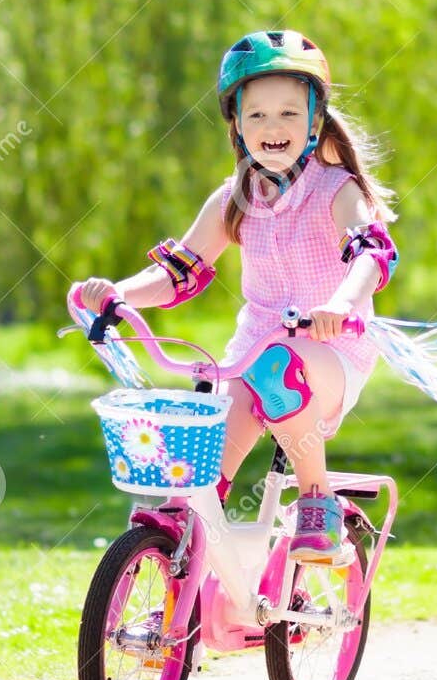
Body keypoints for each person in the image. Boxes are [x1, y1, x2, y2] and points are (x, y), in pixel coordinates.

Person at [78, 30, 399, 563]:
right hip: (252, 353)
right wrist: (119, 293)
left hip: (331, 350)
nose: (273, 129)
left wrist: (342, 303)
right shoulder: (234, 199)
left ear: (315, 121)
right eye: (258, 117)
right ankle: (183, 574)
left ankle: (319, 504)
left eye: (289, 115)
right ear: (237, 125)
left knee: (277, 368)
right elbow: (180, 271)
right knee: (204, 459)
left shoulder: (336, 188)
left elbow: (372, 252)